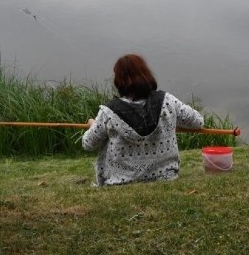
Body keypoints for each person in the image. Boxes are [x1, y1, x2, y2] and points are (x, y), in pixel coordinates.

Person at [82, 54, 204, 186]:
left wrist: (93, 125)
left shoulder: (108, 112)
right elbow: (198, 122)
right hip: (165, 177)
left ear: (119, 80)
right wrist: (169, 119)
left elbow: (88, 144)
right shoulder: (167, 100)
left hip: (120, 182)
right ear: (146, 74)